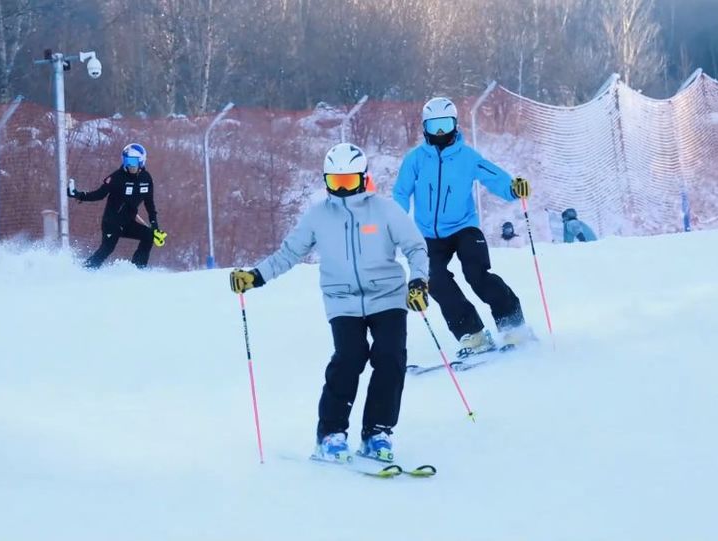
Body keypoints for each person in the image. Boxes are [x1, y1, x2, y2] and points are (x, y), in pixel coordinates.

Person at [229, 143, 429, 464]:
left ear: (364, 179)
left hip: (387, 297)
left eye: (348, 182)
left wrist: (418, 280)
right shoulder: (318, 216)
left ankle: (377, 432)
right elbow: (289, 253)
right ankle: (331, 434)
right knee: (350, 357)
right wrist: (256, 276)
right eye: (335, 183)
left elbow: (416, 248)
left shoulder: (386, 210)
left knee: (390, 357)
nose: (342, 190)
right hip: (342, 300)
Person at [393, 97, 535, 359]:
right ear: (424, 127)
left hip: (464, 228)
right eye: (434, 126)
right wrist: (394, 223)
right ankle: (474, 334)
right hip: (428, 234)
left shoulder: (467, 157)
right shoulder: (415, 159)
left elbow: (494, 177)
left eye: (445, 124)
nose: (440, 132)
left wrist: (512, 188)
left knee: (476, 273)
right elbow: (401, 193)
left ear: (455, 125)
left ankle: (512, 323)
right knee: (434, 280)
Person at [68, 143, 167, 269]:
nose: (130, 165)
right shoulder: (116, 177)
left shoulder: (146, 178)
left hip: (128, 222)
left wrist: (154, 225)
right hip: (112, 223)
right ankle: (85, 270)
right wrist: (79, 195)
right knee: (107, 249)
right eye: (126, 161)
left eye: (133, 161)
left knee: (148, 235)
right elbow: (99, 194)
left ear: (141, 161)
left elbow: (150, 204)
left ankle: (138, 270)